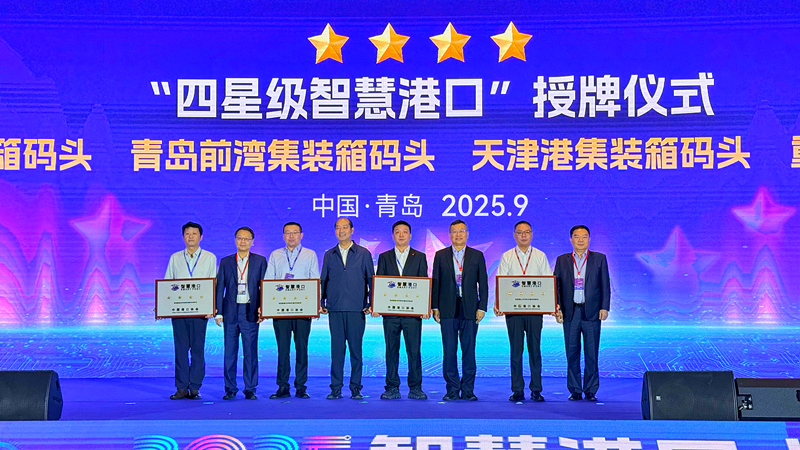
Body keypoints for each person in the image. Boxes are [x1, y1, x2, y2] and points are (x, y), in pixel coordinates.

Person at [431, 219, 488, 401]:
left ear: (467, 234)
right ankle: (452, 389)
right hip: (447, 308)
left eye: (461, 231)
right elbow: (436, 282)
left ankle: (468, 389)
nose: (458, 235)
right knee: (449, 351)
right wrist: (435, 306)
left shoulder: (477, 255)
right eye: (454, 231)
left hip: (470, 308)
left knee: (469, 351)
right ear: (449, 235)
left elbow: (483, 283)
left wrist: (482, 307)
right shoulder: (440, 255)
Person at [495, 221, 552, 402]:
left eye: (527, 232)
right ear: (514, 235)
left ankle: (536, 389)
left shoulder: (540, 256)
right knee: (516, 350)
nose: (523, 235)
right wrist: (498, 304)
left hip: (535, 311)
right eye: (520, 232)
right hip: (513, 311)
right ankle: (517, 389)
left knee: (535, 350)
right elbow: (501, 282)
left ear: (532, 234)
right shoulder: (507, 256)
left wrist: (551, 305)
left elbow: (547, 283)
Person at [553, 225, 610, 402]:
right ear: (571, 239)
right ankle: (575, 390)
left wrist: (604, 307)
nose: (580, 240)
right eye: (577, 237)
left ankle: (591, 390)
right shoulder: (562, 260)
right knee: (572, 352)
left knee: (591, 353)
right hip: (570, 312)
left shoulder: (599, 258)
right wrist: (556, 307)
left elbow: (605, 284)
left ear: (589, 239)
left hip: (592, 311)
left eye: (584, 237)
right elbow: (556, 286)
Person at [319, 218, 374, 400]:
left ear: (352, 230)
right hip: (335, 309)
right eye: (338, 228)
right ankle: (336, 388)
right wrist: (321, 302)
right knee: (337, 351)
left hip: (356, 309)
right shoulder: (329, 254)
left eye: (345, 227)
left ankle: (355, 388)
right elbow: (324, 279)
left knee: (356, 350)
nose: (341, 231)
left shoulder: (363, 253)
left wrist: (371, 303)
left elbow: (371, 280)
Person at [373, 220, 429, 400]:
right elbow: (380, 283)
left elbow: (423, 282)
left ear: (410, 235)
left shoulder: (419, 256)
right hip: (390, 313)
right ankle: (392, 387)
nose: (401, 235)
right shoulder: (384, 256)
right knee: (391, 350)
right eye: (398, 232)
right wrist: (377, 305)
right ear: (393, 235)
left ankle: (416, 388)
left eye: (405, 232)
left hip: (413, 313)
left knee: (414, 351)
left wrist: (425, 306)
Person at [265, 222, 319, 400]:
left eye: (295, 232)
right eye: (287, 233)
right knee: (283, 349)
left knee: (302, 348)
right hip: (280, 310)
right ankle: (282, 386)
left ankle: (301, 387)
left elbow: (315, 280)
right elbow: (269, 281)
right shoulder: (275, 255)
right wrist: (267, 305)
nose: (291, 236)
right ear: (283, 236)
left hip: (303, 310)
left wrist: (315, 305)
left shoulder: (310, 254)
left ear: (301, 235)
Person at [164, 222, 217, 400]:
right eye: (187, 233)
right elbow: (168, 283)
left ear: (201, 237)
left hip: (200, 311)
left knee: (197, 350)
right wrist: (163, 305)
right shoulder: (175, 258)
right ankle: (181, 387)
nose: (191, 236)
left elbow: (213, 283)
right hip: (179, 311)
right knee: (180, 349)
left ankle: (194, 387)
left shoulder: (209, 257)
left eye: (194, 233)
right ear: (183, 237)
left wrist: (211, 307)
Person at [215, 226, 268, 400]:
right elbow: (220, 288)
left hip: (250, 311)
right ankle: (230, 388)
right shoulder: (226, 261)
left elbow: (264, 287)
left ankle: (250, 388)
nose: (243, 241)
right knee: (230, 352)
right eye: (239, 238)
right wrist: (218, 312)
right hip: (230, 312)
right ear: (235, 240)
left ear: (252, 241)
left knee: (250, 351)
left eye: (246, 238)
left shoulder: (260, 261)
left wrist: (264, 309)